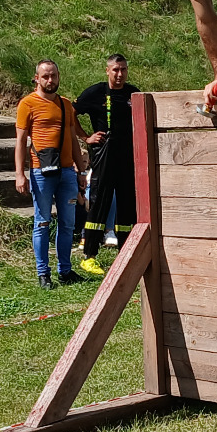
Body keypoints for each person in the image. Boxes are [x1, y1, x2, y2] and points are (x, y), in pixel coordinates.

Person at [14, 59, 89, 288]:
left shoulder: (65, 104)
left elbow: (73, 140)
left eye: (53, 76)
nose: (50, 80)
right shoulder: (28, 104)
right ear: (36, 78)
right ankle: (43, 273)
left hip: (66, 171)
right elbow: (20, 142)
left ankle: (65, 271)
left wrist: (80, 170)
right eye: (45, 76)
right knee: (43, 222)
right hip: (40, 172)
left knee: (67, 223)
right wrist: (20, 174)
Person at [72, 52, 140, 274]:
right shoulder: (96, 92)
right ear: (108, 71)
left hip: (128, 155)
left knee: (127, 203)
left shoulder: (134, 93)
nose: (120, 74)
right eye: (115, 70)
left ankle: (126, 252)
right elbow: (71, 113)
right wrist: (86, 137)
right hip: (104, 154)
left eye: (123, 70)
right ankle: (89, 255)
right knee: (100, 201)